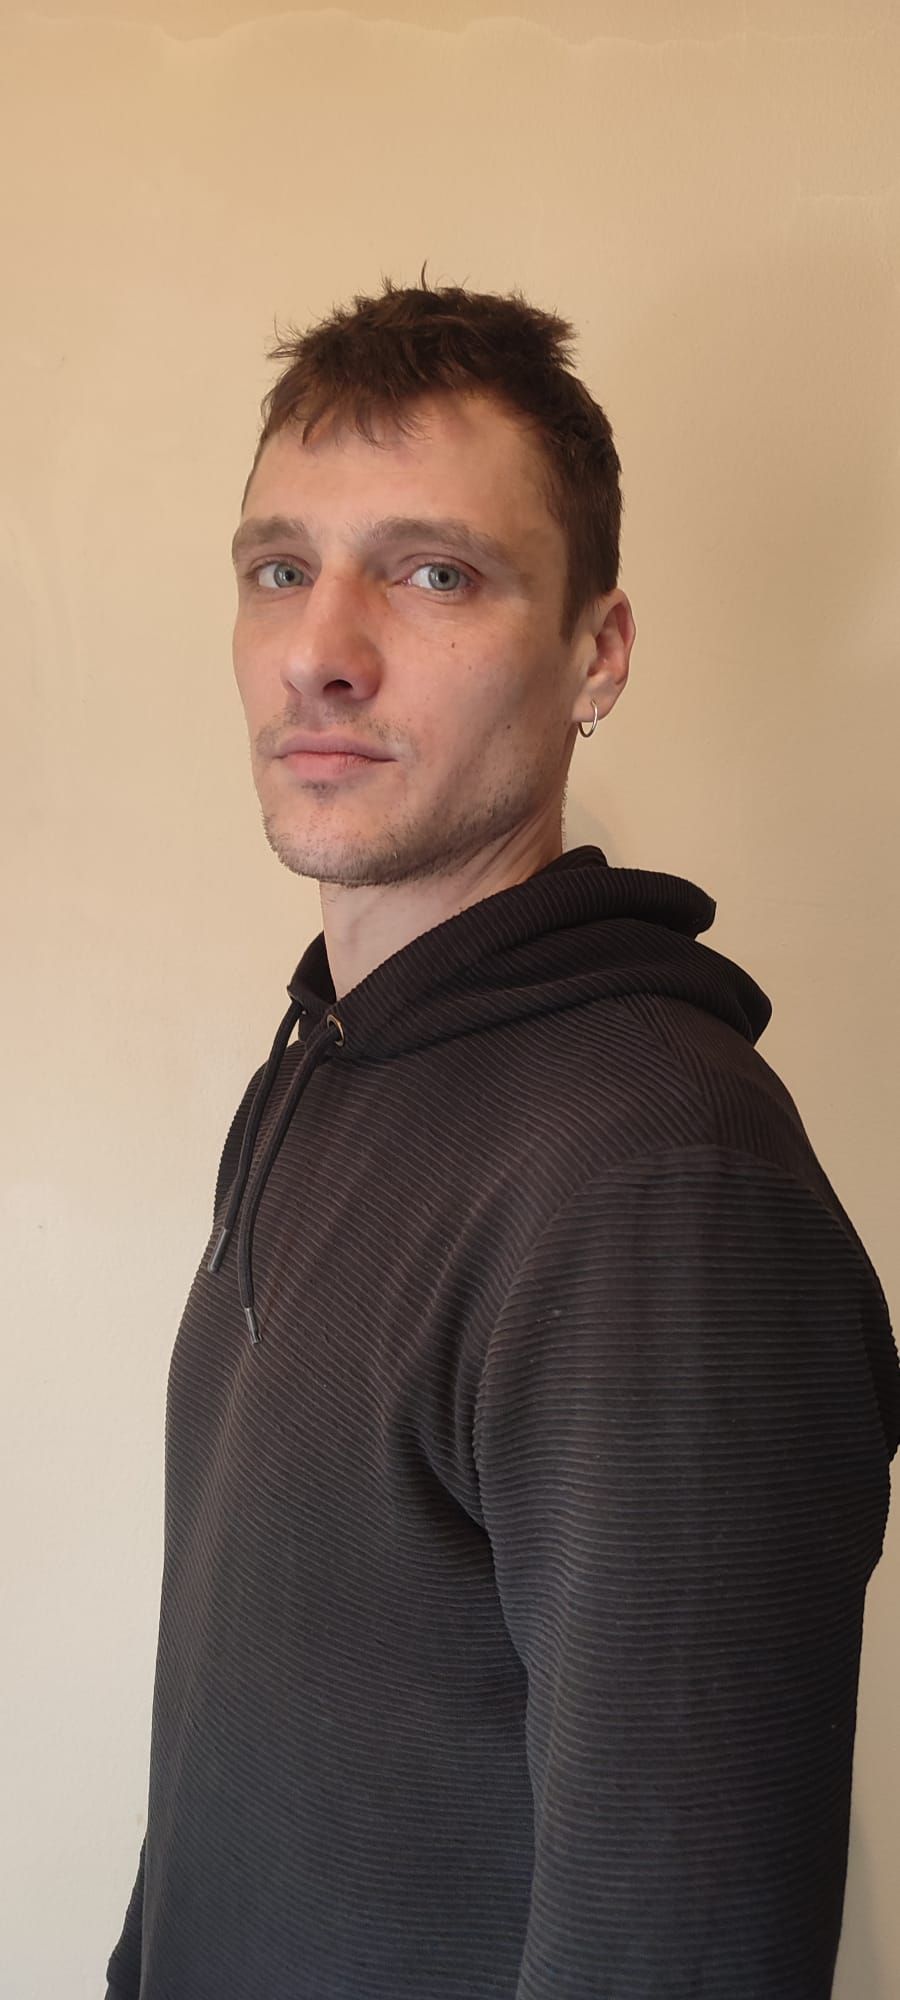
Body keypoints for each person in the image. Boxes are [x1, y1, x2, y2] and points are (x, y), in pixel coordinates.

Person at [105, 271, 899, 2000]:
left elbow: (678, 1954)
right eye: (280, 569)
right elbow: (228, 1753)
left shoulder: (656, 1183)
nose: (322, 649)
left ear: (594, 653)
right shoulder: (326, 1065)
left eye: (435, 573)